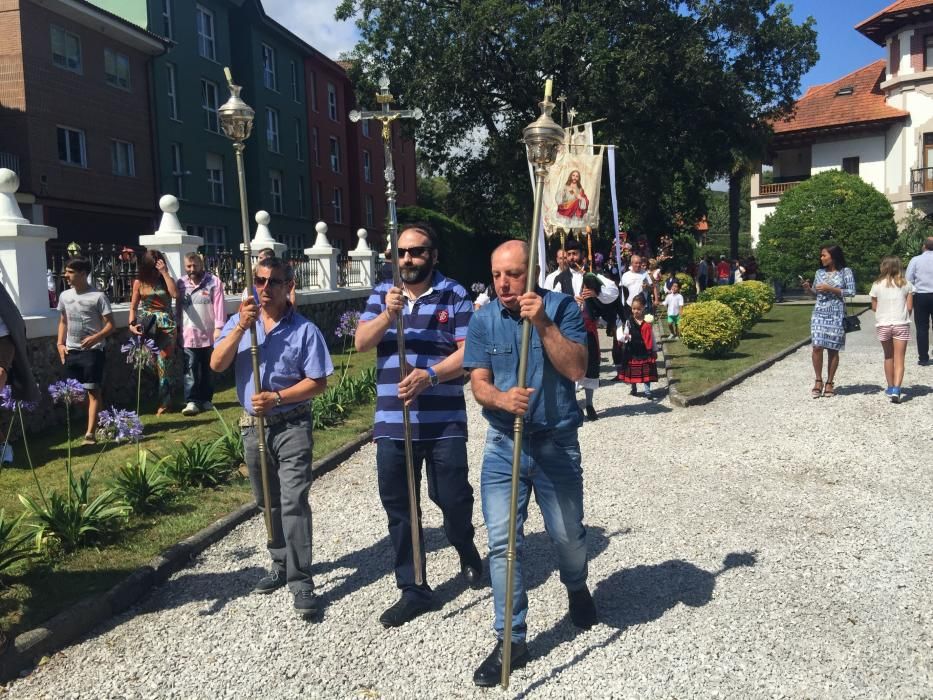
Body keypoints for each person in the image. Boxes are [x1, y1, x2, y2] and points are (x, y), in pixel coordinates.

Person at [463, 240, 597, 687]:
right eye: (498, 274)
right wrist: (502, 398)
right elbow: (478, 382)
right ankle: (511, 639)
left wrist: (541, 322)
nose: (504, 283)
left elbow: (577, 368)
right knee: (503, 544)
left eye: (514, 274)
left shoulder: (562, 309)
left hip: (556, 442)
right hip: (505, 445)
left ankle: (576, 584)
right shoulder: (483, 319)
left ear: (532, 272)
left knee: (568, 537)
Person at [355, 222, 483, 628]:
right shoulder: (382, 294)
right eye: (402, 252)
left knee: (452, 499)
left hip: (443, 419)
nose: (408, 259)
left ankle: (463, 543)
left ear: (433, 255)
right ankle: (413, 587)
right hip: (394, 421)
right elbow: (361, 342)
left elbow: (469, 354)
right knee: (400, 506)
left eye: (417, 251)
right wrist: (388, 315)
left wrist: (429, 376)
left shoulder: (455, 294)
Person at [210, 256, 332, 617]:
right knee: (268, 501)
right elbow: (217, 363)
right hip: (254, 426)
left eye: (273, 282)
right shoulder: (242, 323)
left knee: (294, 499)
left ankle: (301, 580)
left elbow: (319, 382)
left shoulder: (304, 330)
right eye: (260, 281)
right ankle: (279, 562)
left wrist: (278, 396)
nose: (265, 288)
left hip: (292, 423)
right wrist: (239, 329)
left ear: (287, 286)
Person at [543, 238, 619, 420]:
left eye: (574, 253)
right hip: (567, 329)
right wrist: (569, 300)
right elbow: (549, 302)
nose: (571, 257)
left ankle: (590, 404)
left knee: (591, 365)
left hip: (588, 327)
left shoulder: (592, 275)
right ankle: (571, 403)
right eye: (568, 254)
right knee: (569, 365)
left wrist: (596, 293)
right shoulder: (558, 279)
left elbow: (613, 292)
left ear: (582, 255)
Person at [56, 257, 114, 443]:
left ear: (83, 274)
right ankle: (105, 420)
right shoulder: (65, 296)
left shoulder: (98, 297)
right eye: (66, 271)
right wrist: (60, 344)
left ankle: (90, 433)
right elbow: (63, 321)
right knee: (75, 395)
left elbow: (111, 325)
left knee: (93, 391)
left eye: (70, 272)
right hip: (71, 351)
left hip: (93, 350)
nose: (66, 275)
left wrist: (95, 338)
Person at [802, 243, 856, 398]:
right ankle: (818, 380)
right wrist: (808, 289)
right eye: (821, 255)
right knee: (817, 346)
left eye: (824, 255)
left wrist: (830, 289)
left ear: (833, 256)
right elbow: (816, 293)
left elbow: (851, 292)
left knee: (833, 349)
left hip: (836, 313)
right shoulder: (819, 272)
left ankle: (830, 382)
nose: (821, 258)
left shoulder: (845, 272)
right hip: (819, 313)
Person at [128, 250, 178, 415]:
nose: (156, 270)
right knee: (149, 364)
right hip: (148, 325)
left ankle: (165, 403)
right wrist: (131, 323)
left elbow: (175, 294)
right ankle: (167, 393)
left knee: (164, 363)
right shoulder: (139, 283)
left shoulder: (165, 280)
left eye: (160, 265)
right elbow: (133, 306)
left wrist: (164, 273)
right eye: (154, 267)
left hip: (166, 325)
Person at [176, 253, 226, 416]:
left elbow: (219, 307)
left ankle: (206, 400)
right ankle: (191, 401)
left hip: (209, 333)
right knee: (189, 369)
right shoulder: (181, 283)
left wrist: (219, 328)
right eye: (189, 266)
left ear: (201, 265)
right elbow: (178, 308)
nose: (192, 269)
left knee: (208, 369)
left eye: (195, 266)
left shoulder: (213, 282)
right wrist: (177, 327)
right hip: (188, 334)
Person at [870, 256, 914, 403]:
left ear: (883, 267)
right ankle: (897, 388)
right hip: (901, 323)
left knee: (888, 356)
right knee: (900, 358)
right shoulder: (906, 284)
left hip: (883, 324)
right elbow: (909, 307)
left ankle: (889, 386)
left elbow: (874, 307)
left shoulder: (876, 285)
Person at [616, 296, 659, 399]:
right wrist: (625, 337)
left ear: (643, 308)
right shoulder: (629, 322)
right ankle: (633, 388)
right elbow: (625, 334)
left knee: (646, 371)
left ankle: (648, 391)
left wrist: (654, 349)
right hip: (633, 351)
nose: (636, 311)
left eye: (638, 309)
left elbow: (651, 337)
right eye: (634, 309)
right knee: (633, 371)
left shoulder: (647, 323)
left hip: (645, 351)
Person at [905, 236, 933, 366]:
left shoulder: (915, 260)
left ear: (924, 246)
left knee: (922, 328)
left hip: (920, 295)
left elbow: (908, 279)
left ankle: (923, 357)